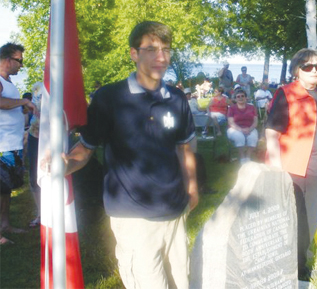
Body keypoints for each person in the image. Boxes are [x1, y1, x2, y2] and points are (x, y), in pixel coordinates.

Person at [60, 21, 198, 288]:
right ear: (134, 54)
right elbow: (86, 149)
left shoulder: (177, 98)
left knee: (183, 281)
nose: (161, 57)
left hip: (175, 210)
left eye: (166, 50)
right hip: (134, 217)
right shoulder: (109, 97)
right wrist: (64, 165)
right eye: (151, 49)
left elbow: (184, 147)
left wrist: (192, 187)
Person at [265, 48, 317, 280]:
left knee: (309, 217)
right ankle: (282, 263)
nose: (314, 71)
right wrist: (277, 170)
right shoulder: (286, 93)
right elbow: (271, 133)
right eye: (307, 66)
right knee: (290, 217)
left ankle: (300, 264)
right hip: (292, 168)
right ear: (297, 70)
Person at [0, 42, 36, 245]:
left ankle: (5, 224)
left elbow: (8, 106)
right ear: (7, 60)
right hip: (2, 145)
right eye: (19, 60)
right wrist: (23, 102)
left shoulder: (9, 83)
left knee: (6, 189)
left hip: (11, 144)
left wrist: (21, 109)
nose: (21, 65)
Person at [27, 82, 43, 228]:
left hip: (56, 135)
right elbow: (32, 108)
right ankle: (41, 213)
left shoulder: (64, 82)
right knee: (34, 177)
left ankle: (59, 211)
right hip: (35, 135)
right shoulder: (37, 86)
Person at [227, 89, 258, 164]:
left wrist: (250, 129)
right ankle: (242, 157)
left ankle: (248, 157)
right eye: (238, 97)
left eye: (242, 96)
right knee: (239, 137)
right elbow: (231, 122)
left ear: (246, 97)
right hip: (234, 128)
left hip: (250, 128)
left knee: (253, 137)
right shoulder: (232, 108)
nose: (240, 98)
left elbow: (255, 121)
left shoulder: (252, 107)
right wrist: (241, 129)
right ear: (235, 99)